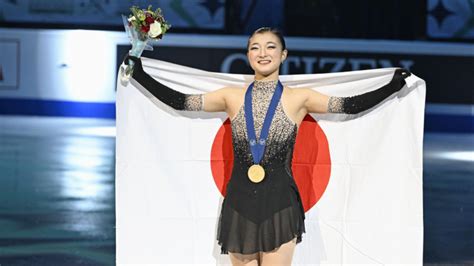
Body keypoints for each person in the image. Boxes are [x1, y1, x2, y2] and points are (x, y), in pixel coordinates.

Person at [123, 27, 411, 266]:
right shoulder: (230, 97)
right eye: (255, 48)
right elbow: (180, 102)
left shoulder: (300, 98)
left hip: (280, 204)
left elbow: (349, 107)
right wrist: (139, 75)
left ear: (283, 55)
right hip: (239, 203)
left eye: (270, 47)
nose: (263, 53)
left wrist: (390, 87)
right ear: (247, 55)